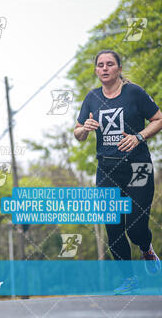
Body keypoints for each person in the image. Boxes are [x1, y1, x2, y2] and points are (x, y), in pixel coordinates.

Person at [74, 49, 162, 294]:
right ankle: (128, 279)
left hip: (138, 166)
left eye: (110, 64)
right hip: (107, 169)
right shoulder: (91, 98)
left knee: (135, 226)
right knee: (112, 225)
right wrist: (85, 129)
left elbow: (158, 118)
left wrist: (139, 137)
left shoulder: (134, 93)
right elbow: (78, 132)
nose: (104, 68)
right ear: (96, 70)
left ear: (119, 69)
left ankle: (146, 249)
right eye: (100, 65)